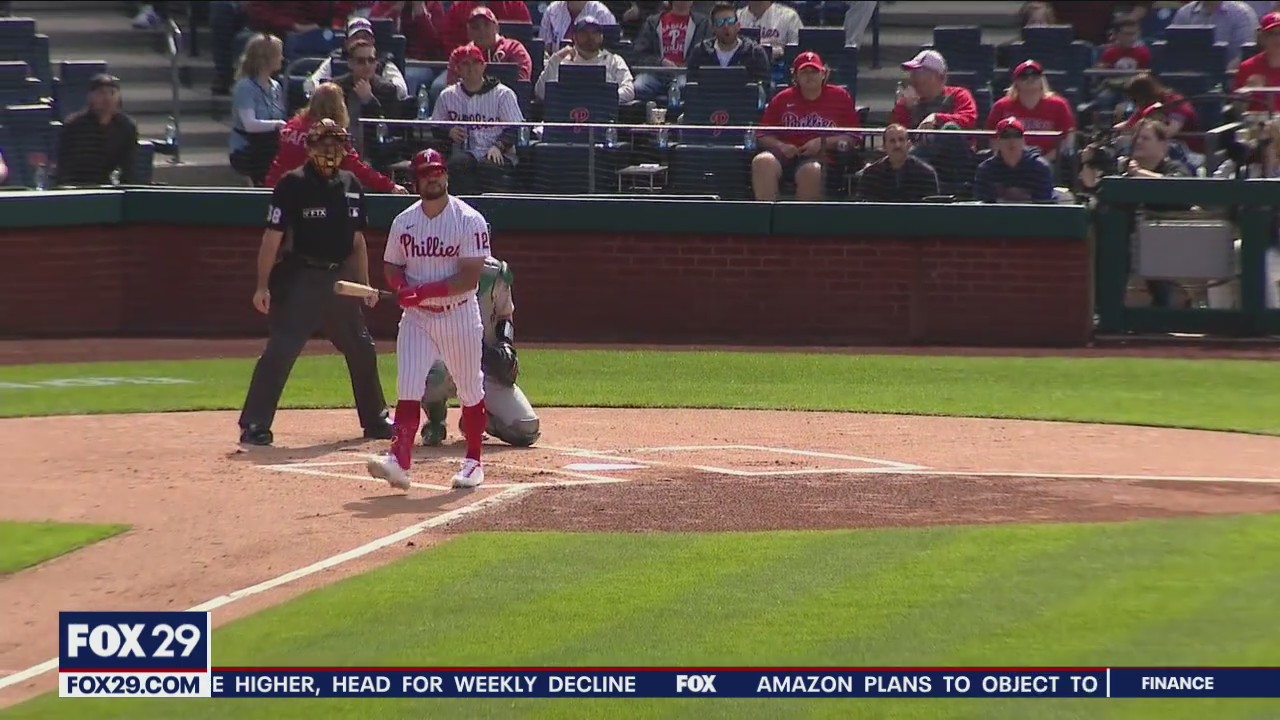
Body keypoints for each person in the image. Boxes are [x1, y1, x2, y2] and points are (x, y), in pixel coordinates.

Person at [238, 119, 392, 447]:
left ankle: (376, 417)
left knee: (361, 347)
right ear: (309, 147)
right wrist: (262, 286)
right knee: (281, 351)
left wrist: (364, 285)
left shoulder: (351, 184)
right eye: (324, 143)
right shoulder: (292, 184)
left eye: (337, 143)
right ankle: (255, 423)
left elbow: (357, 241)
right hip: (300, 277)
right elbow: (272, 239)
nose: (331, 150)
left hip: (339, 280)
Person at [367, 148, 492, 491]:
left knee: (469, 387)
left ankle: (473, 462)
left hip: (459, 315)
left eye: (437, 171)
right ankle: (399, 460)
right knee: (407, 386)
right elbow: (392, 265)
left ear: (446, 175)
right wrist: (401, 287)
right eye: (426, 173)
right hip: (418, 318)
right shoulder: (404, 221)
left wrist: (423, 291)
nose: (433, 177)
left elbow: (469, 277)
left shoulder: (469, 220)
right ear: (416, 180)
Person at [420, 255, 539, 448]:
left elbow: (504, 316)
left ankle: (475, 418)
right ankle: (436, 420)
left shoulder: (496, 274)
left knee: (526, 429)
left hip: (484, 365)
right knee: (434, 373)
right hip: (447, 361)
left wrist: (505, 344)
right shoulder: (436, 271)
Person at [752, 51, 861, 201]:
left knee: (810, 171)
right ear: (795, 76)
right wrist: (781, 146)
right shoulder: (782, 98)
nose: (810, 76)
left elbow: (853, 137)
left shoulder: (840, 97)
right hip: (786, 155)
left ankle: (802, 222)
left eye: (814, 71)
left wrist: (822, 142)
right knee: (762, 162)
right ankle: (768, 220)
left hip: (823, 158)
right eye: (804, 72)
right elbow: (762, 135)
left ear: (824, 74)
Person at [263, 83, 406, 193]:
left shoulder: (292, 124)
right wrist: (390, 186)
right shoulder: (330, 134)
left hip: (273, 189)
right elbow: (356, 168)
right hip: (302, 198)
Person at [432, 44, 524, 194]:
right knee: (457, 164)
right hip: (466, 151)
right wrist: (448, 132)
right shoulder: (447, 95)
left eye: (476, 63)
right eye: (466, 64)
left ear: (483, 66)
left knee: (489, 166)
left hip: (498, 151)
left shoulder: (503, 94)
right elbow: (435, 127)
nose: (471, 68)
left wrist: (499, 146)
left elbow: (515, 128)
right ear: (458, 69)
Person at [54, 74, 139, 187]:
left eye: (112, 93)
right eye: (101, 93)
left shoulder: (126, 126)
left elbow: (129, 168)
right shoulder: (74, 125)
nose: (107, 98)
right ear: (90, 97)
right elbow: (66, 167)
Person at [985, 60, 1077, 161]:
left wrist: (1043, 161)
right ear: (1016, 83)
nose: (1030, 79)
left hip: (1050, 163)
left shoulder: (1059, 105)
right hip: (1009, 162)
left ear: (1042, 80)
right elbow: (993, 140)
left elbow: (1067, 140)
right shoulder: (1001, 106)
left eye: (1035, 75)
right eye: (1024, 76)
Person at [305, 17, 411, 102]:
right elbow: (311, 85)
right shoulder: (333, 61)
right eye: (356, 37)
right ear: (346, 42)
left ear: (373, 40)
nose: (361, 40)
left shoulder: (384, 62)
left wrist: (374, 92)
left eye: (366, 36)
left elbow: (401, 90)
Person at [536, 14, 636, 103]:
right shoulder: (561, 61)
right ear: (574, 37)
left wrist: (602, 97)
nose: (590, 37)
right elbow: (540, 92)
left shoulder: (614, 61)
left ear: (601, 37)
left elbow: (629, 91)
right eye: (584, 32)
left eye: (595, 33)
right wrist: (556, 58)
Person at [229, 33, 287, 187]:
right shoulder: (245, 87)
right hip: (248, 149)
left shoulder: (276, 87)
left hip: (270, 145)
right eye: (278, 54)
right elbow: (250, 124)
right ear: (266, 59)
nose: (282, 58)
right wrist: (277, 124)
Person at [330, 39, 403, 156]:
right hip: (338, 150)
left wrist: (370, 101)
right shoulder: (336, 87)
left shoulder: (387, 90)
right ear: (350, 63)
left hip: (374, 154)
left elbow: (390, 130)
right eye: (361, 61)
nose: (367, 65)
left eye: (371, 60)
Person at [632, 1, 709, 104]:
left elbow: (706, 53)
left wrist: (687, 65)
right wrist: (661, 62)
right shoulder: (653, 22)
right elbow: (640, 54)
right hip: (655, 74)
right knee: (638, 87)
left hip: (685, 74)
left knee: (685, 87)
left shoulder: (702, 23)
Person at [686, 2, 771, 86]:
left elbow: (764, 88)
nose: (726, 26)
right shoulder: (700, 52)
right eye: (720, 22)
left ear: (738, 26)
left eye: (730, 21)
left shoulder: (754, 53)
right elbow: (691, 86)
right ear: (713, 28)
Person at [973, 117, 1055, 203]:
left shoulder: (1040, 168)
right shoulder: (986, 170)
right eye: (1006, 136)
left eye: (1017, 135)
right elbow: (982, 206)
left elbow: (1045, 205)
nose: (1012, 140)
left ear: (1023, 140)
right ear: (998, 141)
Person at [854, 124, 940, 202]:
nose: (897, 145)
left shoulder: (925, 173)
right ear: (884, 147)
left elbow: (931, 210)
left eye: (901, 140)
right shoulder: (871, 174)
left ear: (909, 145)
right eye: (892, 141)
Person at [1171, 0, 1259, 67]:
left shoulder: (1242, 13)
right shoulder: (1184, 13)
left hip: (1229, 79)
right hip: (1190, 77)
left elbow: (1244, 55)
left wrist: (1221, 77)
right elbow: (1176, 51)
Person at [1234, 11, 1280, 112]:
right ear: (1262, 37)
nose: (1277, 39)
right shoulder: (1248, 67)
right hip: (1258, 124)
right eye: (1271, 34)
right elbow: (1237, 112)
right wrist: (1248, 91)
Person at [736, 0, 802, 61]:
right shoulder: (737, 17)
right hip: (743, 67)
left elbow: (798, 53)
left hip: (778, 67)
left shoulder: (789, 16)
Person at [541, 1, 617, 45]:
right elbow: (544, 50)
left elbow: (610, 53)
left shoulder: (602, 14)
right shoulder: (551, 11)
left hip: (595, 68)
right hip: (558, 68)